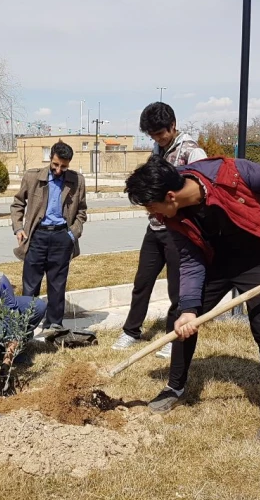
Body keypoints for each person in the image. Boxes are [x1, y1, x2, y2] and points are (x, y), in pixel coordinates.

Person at [124, 155, 260, 440]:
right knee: (180, 317)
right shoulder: (171, 215)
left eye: (150, 206)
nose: (151, 213)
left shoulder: (232, 173)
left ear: (170, 197)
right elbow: (191, 259)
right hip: (216, 261)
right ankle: (175, 386)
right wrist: (189, 309)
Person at [113, 102, 207, 359]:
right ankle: (131, 331)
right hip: (155, 229)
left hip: (178, 231)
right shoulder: (156, 151)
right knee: (142, 281)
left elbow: (200, 193)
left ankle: (171, 337)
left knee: (178, 289)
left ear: (173, 126)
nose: (156, 138)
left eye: (160, 133)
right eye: (152, 135)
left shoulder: (192, 152)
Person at [10, 140, 87, 332]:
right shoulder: (32, 177)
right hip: (36, 237)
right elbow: (17, 204)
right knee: (30, 285)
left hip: (62, 237)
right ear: (50, 159)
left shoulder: (77, 181)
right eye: (55, 165)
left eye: (64, 166)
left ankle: (54, 324)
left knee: (57, 285)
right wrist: (19, 228)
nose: (59, 170)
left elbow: (82, 212)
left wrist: (72, 234)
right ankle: (26, 325)